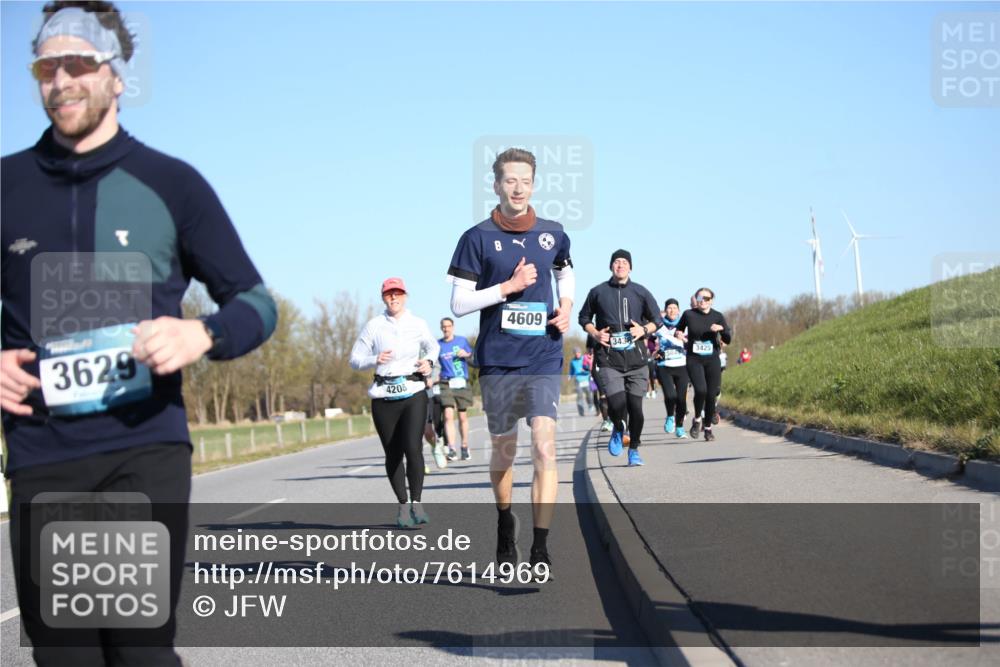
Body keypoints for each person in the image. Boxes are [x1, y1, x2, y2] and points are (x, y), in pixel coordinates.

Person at [1, 3, 277, 664]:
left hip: (141, 448)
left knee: (138, 648)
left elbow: (256, 303)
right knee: (64, 655)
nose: (61, 81)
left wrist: (200, 335)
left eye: (79, 65)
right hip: (43, 450)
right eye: (47, 67)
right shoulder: (5, 186)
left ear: (115, 77)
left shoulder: (171, 184)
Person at [446, 147, 574, 575]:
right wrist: (508, 286)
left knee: (543, 445)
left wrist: (568, 304)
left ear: (533, 184)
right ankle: (505, 521)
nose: (517, 188)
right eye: (509, 180)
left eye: (525, 180)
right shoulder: (476, 238)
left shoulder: (553, 232)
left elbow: (564, 271)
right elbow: (459, 303)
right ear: (496, 184)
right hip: (499, 358)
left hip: (543, 352)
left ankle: (540, 548)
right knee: (505, 450)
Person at [350, 278, 439, 527]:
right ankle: (402, 507)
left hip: (413, 391)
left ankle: (417, 504)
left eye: (398, 293)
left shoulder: (418, 323)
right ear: (383, 298)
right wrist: (374, 358)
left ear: (405, 296)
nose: (394, 297)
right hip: (384, 396)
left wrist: (429, 362)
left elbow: (432, 347)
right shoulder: (374, 326)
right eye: (389, 294)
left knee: (413, 447)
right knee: (393, 453)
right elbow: (355, 360)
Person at [578, 249, 662, 467]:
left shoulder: (640, 292)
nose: (621, 265)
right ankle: (617, 426)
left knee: (636, 410)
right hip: (609, 358)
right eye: (616, 262)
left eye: (625, 262)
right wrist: (595, 333)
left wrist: (644, 330)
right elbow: (583, 317)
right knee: (617, 404)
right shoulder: (598, 292)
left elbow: (657, 320)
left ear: (630, 267)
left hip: (636, 360)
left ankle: (634, 450)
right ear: (611, 266)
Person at [675, 287, 732, 441]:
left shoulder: (718, 316)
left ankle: (708, 429)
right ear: (696, 300)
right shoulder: (689, 314)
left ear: (711, 301)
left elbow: (727, 339)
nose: (703, 301)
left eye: (707, 298)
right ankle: (697, 419)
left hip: (712, 359)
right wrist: (678, 334)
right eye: (701, 298)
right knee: (700, 390)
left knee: (711, 394)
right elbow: (678, 330)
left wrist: (722, 329)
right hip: (694, 359)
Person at [437, 317, 474, 461]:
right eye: (444, 326)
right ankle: (451, 448)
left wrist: (466, 354)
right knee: (447, 415)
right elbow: (434, 364)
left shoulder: (461, 341)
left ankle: (464, 446)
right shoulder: (438, 345)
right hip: (446, 382)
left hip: (461, 382)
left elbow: (472, 357)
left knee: (463, 416)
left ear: (453, 327)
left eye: (448, 326)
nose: (446, 329)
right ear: (441, 328)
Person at [653, 298, 689, 438]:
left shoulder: (685, 325)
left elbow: (691, 343)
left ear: (678, 310)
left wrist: (684, 340)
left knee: (681, 399)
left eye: (674, 308)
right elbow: (649, 342)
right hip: (664, 365)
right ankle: (670, 416)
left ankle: (679, 426)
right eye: (669, 308)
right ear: (665, 310)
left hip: (682, 365)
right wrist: (654, 352)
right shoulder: (659, 325)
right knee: (670, 395)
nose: (672, 310)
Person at [422, 369, 448, 470]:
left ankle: (436, 448)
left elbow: (436, 364)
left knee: (428, 432)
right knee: (414, 433)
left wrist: (431, 379)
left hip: (426, 392)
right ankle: (419, 463)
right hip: (408, 392)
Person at [587, 337, 612, 430]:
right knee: (603, 395)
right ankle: (606, 421)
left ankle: (615, 419)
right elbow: (589, 348)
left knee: (613, 395)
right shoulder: (591, 332)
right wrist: (590, 355)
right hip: (597, 367)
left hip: (613, 366)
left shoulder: (613, 327)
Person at [568, 348, 592, 416]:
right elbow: (571, 370)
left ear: (580, 353)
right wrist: (570, 376)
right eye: (575, 353)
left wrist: (585, 370)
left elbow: (589, 367)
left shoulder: (585, 358)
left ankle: (590, 404)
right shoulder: (572, 361)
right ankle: (581, 412)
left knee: (588, 394)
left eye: (578, 352)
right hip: (578, 380)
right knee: (579, 396)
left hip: (586, 379)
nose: (577, 354)